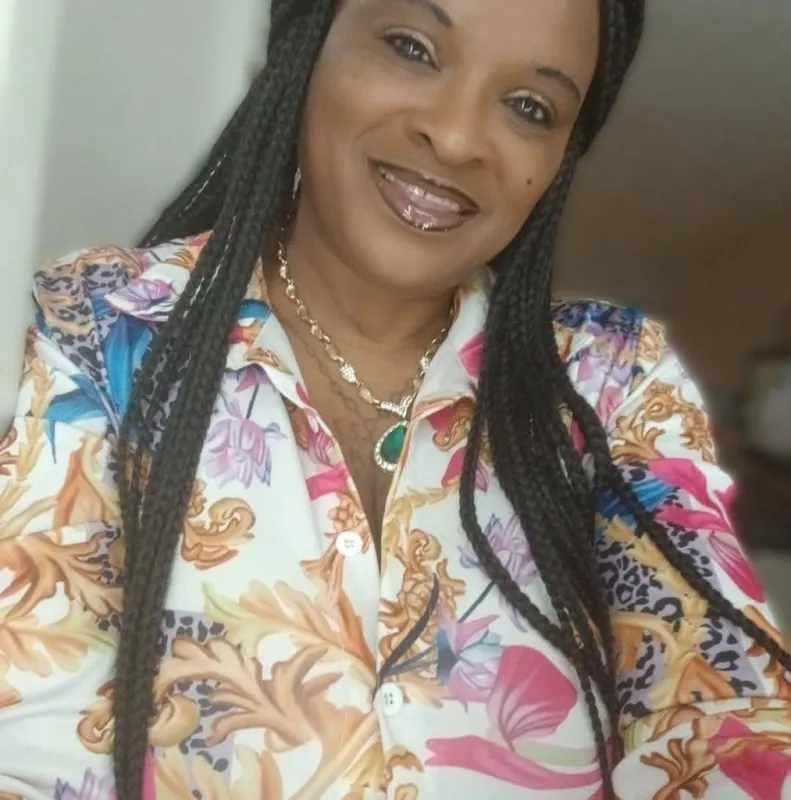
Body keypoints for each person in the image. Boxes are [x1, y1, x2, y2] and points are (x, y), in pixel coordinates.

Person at [1, 0, 789, 798]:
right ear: (308, 40)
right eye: (411, 48)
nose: (454, 137)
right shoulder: (105, 330)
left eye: (529, 106)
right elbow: (29, 734)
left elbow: (724, 718)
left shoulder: (608, 385)